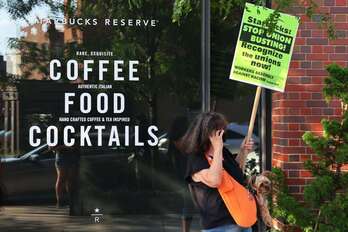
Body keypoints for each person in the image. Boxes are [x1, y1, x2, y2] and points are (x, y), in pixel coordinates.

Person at [181, 112, 255, 232]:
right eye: (218, 131)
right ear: (207, 133)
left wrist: (242, 151)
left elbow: (235, 170)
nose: (221, 134)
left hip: (240, 219)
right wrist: (218, 148)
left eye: (222, 130)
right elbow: (215, 180)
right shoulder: (197, 158)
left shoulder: (223, 152)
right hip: (219, 225)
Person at [52, 134, 80, 208]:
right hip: (62, 157)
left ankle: (71, 201)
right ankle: (60, 202)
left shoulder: (74, 131)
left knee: (71, 180)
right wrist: (65, 147)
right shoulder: (58, 132)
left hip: (73, 157)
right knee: (62, 179)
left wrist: (75, 147)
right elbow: (51, 147)